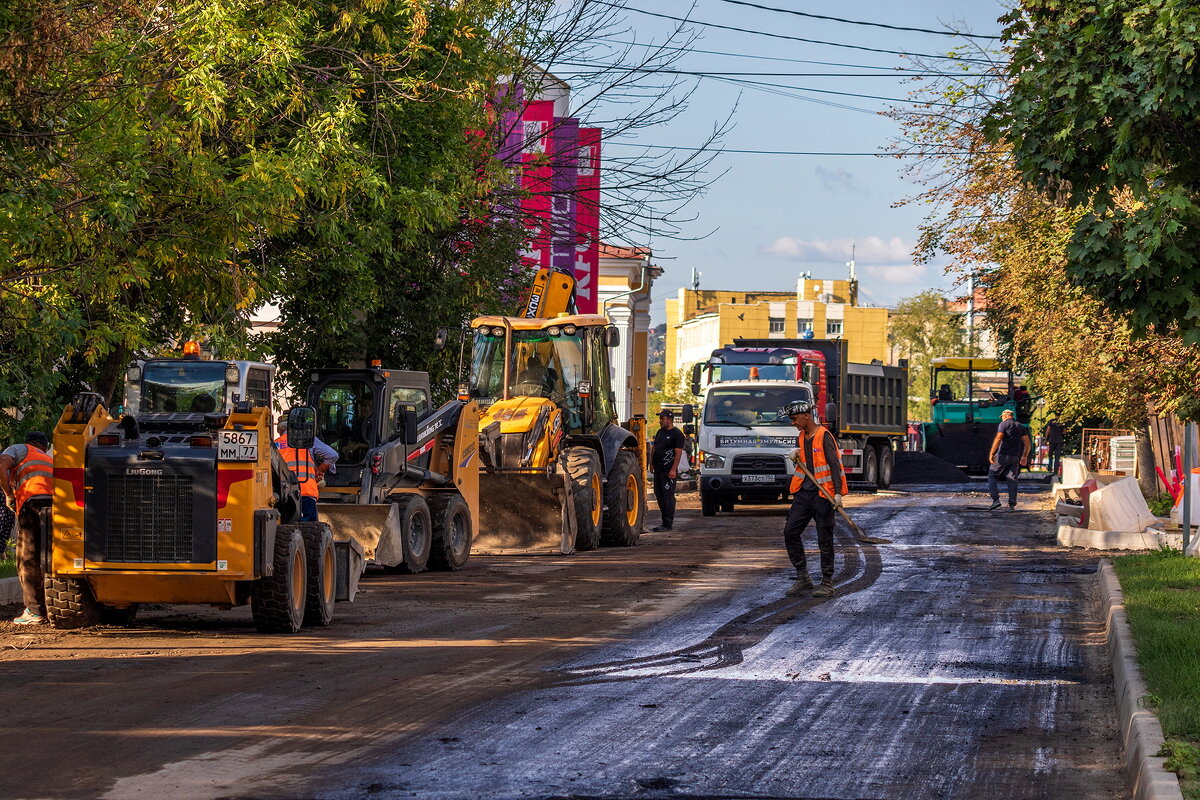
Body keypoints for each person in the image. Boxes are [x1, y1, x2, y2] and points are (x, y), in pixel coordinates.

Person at [782, 400, 847, 598]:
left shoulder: (824, 436)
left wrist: (837, 493)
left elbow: (834, 465)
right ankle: (803, 578)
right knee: (790, 532)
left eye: (794, 418)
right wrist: (797, 455)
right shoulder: (802, 436)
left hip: (823, 495)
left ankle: (827, 583)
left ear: (806, 416)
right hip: (804, 493)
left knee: (824, 539)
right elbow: (808, 461)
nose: (793, 423)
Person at [0, 431, 54, 624]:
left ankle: (34, 611)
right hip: (54, 507)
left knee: (28, 557)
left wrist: (8, 494)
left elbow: (1, 465)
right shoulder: (48, 459)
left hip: (32, 504)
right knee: (46, 558)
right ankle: (49, 607)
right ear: (45, 446)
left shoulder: (19, 449)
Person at [275, 419, 337, 522]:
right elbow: (333, 455)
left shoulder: (274, 445)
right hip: (305, 491)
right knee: (309, 531)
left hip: (282, 494)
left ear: (280, 430)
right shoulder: (308, 440)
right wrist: (319, 471)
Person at [987, 409, 1032, 511]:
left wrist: (992, 453)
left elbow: (998, 438)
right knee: (1012, 479)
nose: (1001, 419)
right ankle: (1012, 505)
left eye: (1002, 417)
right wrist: (1024, 456)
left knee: (992, 475)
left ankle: (996, 500)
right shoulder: (1020, 426)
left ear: (1006, 415)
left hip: (1002, 455)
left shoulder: (1003, 425)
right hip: (1015, 457)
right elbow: (1027, 443)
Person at [649, 409, 686, 532]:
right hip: (658, 469)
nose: (660, 421)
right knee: (659, 494)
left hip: (668, 471)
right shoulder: (660, 432)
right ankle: (664, 521)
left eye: (661, 419)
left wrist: (673, 470)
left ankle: (667, 523)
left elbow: (678, 453)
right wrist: (651, 463)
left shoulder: (677, 434)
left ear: (669, 420)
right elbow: (654, 448)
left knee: (667, 496)